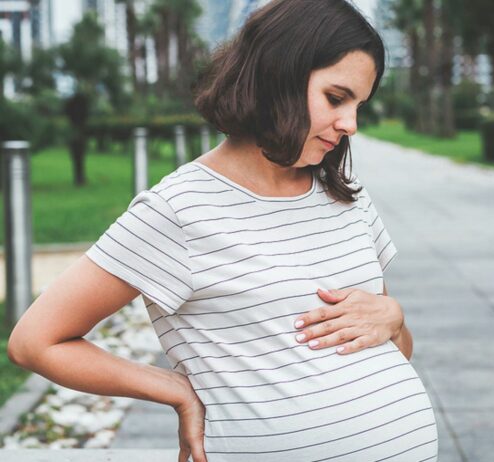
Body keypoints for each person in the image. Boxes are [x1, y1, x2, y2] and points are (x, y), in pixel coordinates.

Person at [8, 0, 438, 460]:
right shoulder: (178, 210)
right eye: (336, 98)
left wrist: (393, 318)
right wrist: (175, 389)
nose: (350, 124)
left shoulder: (344, 195)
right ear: (279, 75)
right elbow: (35, 341)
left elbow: (396, 347)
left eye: (358, 105)